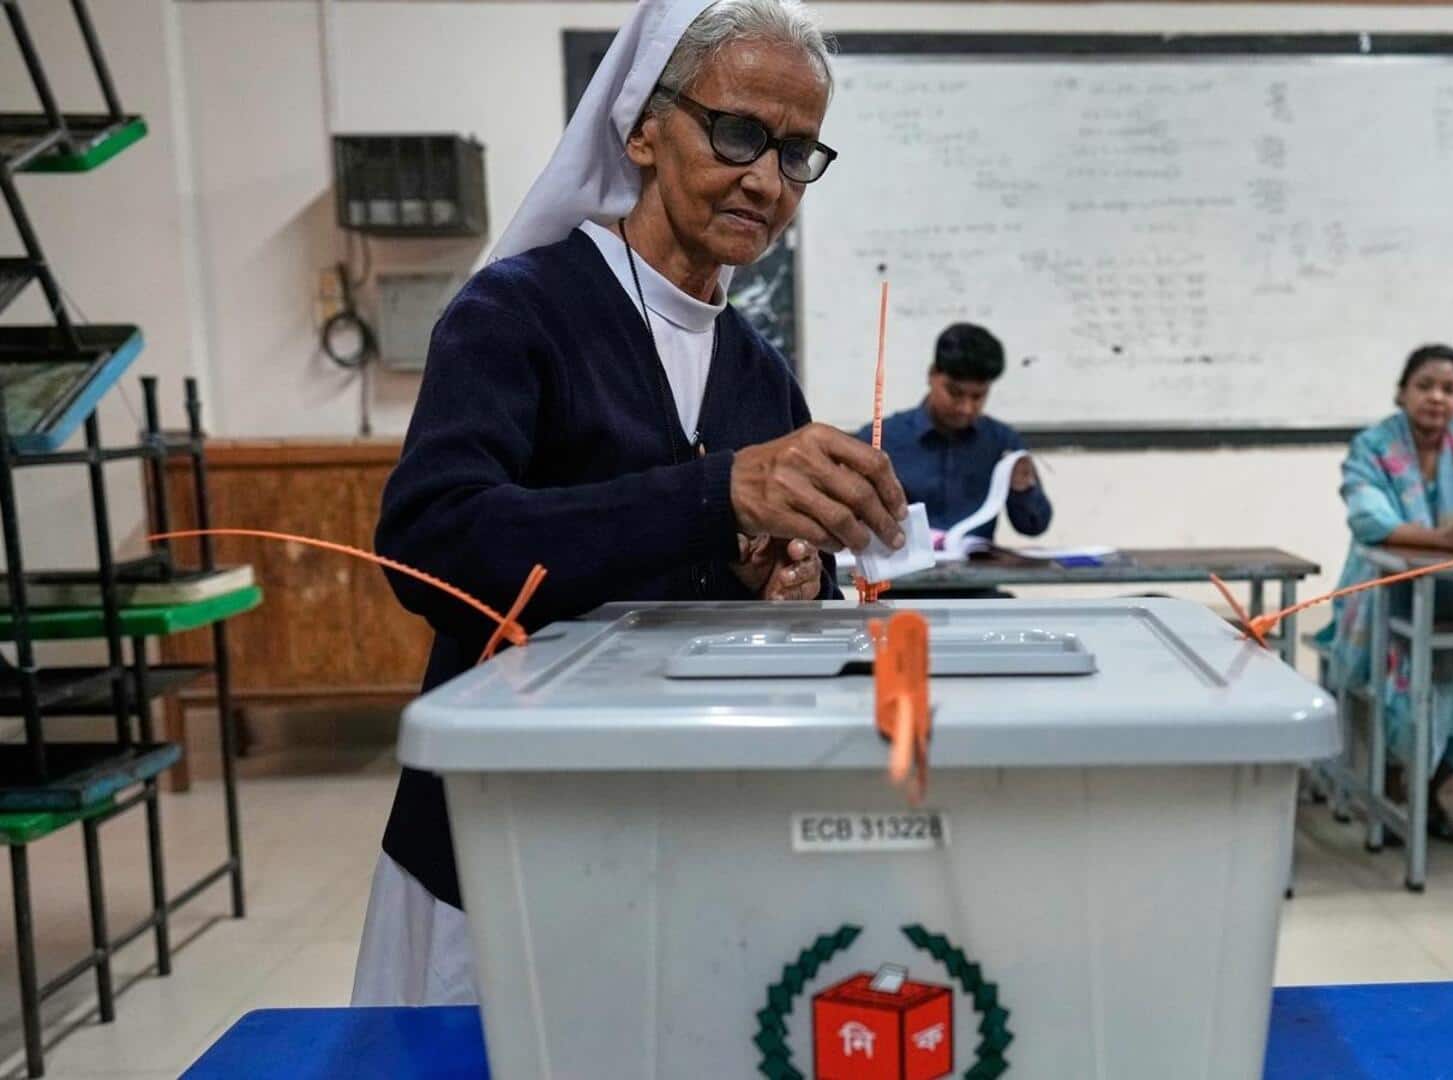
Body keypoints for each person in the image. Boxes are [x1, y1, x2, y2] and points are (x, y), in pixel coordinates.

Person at [352, 0, 907, 1006]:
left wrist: (792, 582)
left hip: (696, 829)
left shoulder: (758, 374)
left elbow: (736, 568)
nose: (764, 180)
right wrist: (714, 493)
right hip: (509, 838)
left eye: (795, 154)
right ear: (642, 129)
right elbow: (429, 546)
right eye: (737, 132)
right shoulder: (517, 316)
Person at [1315, 345, 1453, 844]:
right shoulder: (1372, 447)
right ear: (1402, 391)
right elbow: (1370, 520)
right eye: (1425, 385)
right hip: (1381, 596)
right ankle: (1392, 799)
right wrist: (1443, 539)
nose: (1437, 397)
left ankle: (1426, 798)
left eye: (1450, 389)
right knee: (1407, 686)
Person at [857, 323, 1051, 544]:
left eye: (978, 397)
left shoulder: (1002, 441)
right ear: (932, 375)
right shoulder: (880, 438)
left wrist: (1023, 488)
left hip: (975, 576)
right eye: (955, 393)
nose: (966, 408)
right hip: (904, 574)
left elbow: (1035, 527)